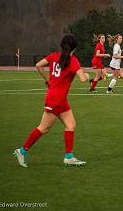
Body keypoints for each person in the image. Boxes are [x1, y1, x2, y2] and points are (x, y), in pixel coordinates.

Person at [13, 34, 89, 167]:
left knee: (70, 125)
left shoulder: (54, 56)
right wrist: (86, 76)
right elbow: (82, 79)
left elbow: (38, 65)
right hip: (55, 100)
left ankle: (69, 157)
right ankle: (22, 151)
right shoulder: (73, 60)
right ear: (74, 48)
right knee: (44, 127)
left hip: (59, 99)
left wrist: (47, 79)